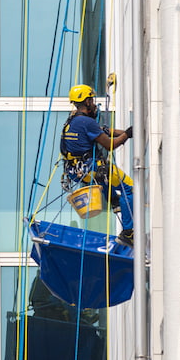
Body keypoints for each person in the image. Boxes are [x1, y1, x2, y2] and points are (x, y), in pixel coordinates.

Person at [59, 84, 135, 247]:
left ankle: (114, 201)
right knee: (129, 188)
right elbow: (109, 144)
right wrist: (127, 135)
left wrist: (127, 131)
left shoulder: (72, 121)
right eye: (91, 100)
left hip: (75, 170)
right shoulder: (87, 122)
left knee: (109, 179)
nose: (94, 104)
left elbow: (103, 131)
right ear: (86, 102)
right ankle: (128, 233)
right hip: (91, 168)